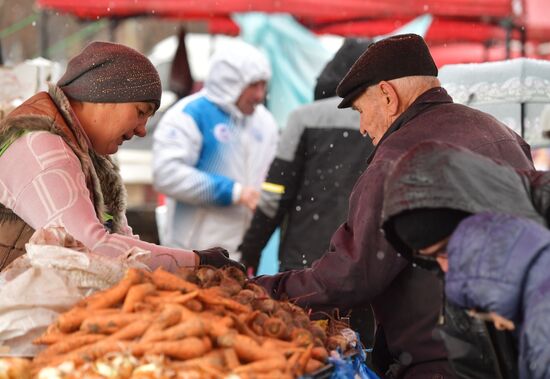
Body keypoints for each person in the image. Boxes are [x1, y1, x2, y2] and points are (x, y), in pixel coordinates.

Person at [252, 33, 534, 378]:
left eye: (360, 110)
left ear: (387, 95)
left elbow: (351, 276)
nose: (362, 127)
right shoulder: (501, 133)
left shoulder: (399, 154)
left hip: (440, 360)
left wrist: (259, 289)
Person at [0, 41, 243, 273]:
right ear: (103, 96)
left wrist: (191, 263)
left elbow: (121, 241)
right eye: (139, 112)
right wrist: (196, 262)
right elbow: (87, 246)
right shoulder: (42, 146)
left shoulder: (83, 151)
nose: (142, 130)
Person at [380, 141, 550, 379]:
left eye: (448, 248)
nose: (446, 267)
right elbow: (473, 367)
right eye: (428, 258)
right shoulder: (461, 281)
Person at [238, 37, 374, 273]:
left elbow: (274, 193)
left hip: (305, 263)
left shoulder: (303, 118)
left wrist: (251, 249)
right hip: (366, 266)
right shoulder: (390, 121)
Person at [152, 41, 278, 259]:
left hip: (240, 253)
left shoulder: (264, 122)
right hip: (191, 253)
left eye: (263, 85)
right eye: (253, 85)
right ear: (230, 82)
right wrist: (234, 192)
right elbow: (166, 174)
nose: (260, 95)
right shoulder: (188, 114)